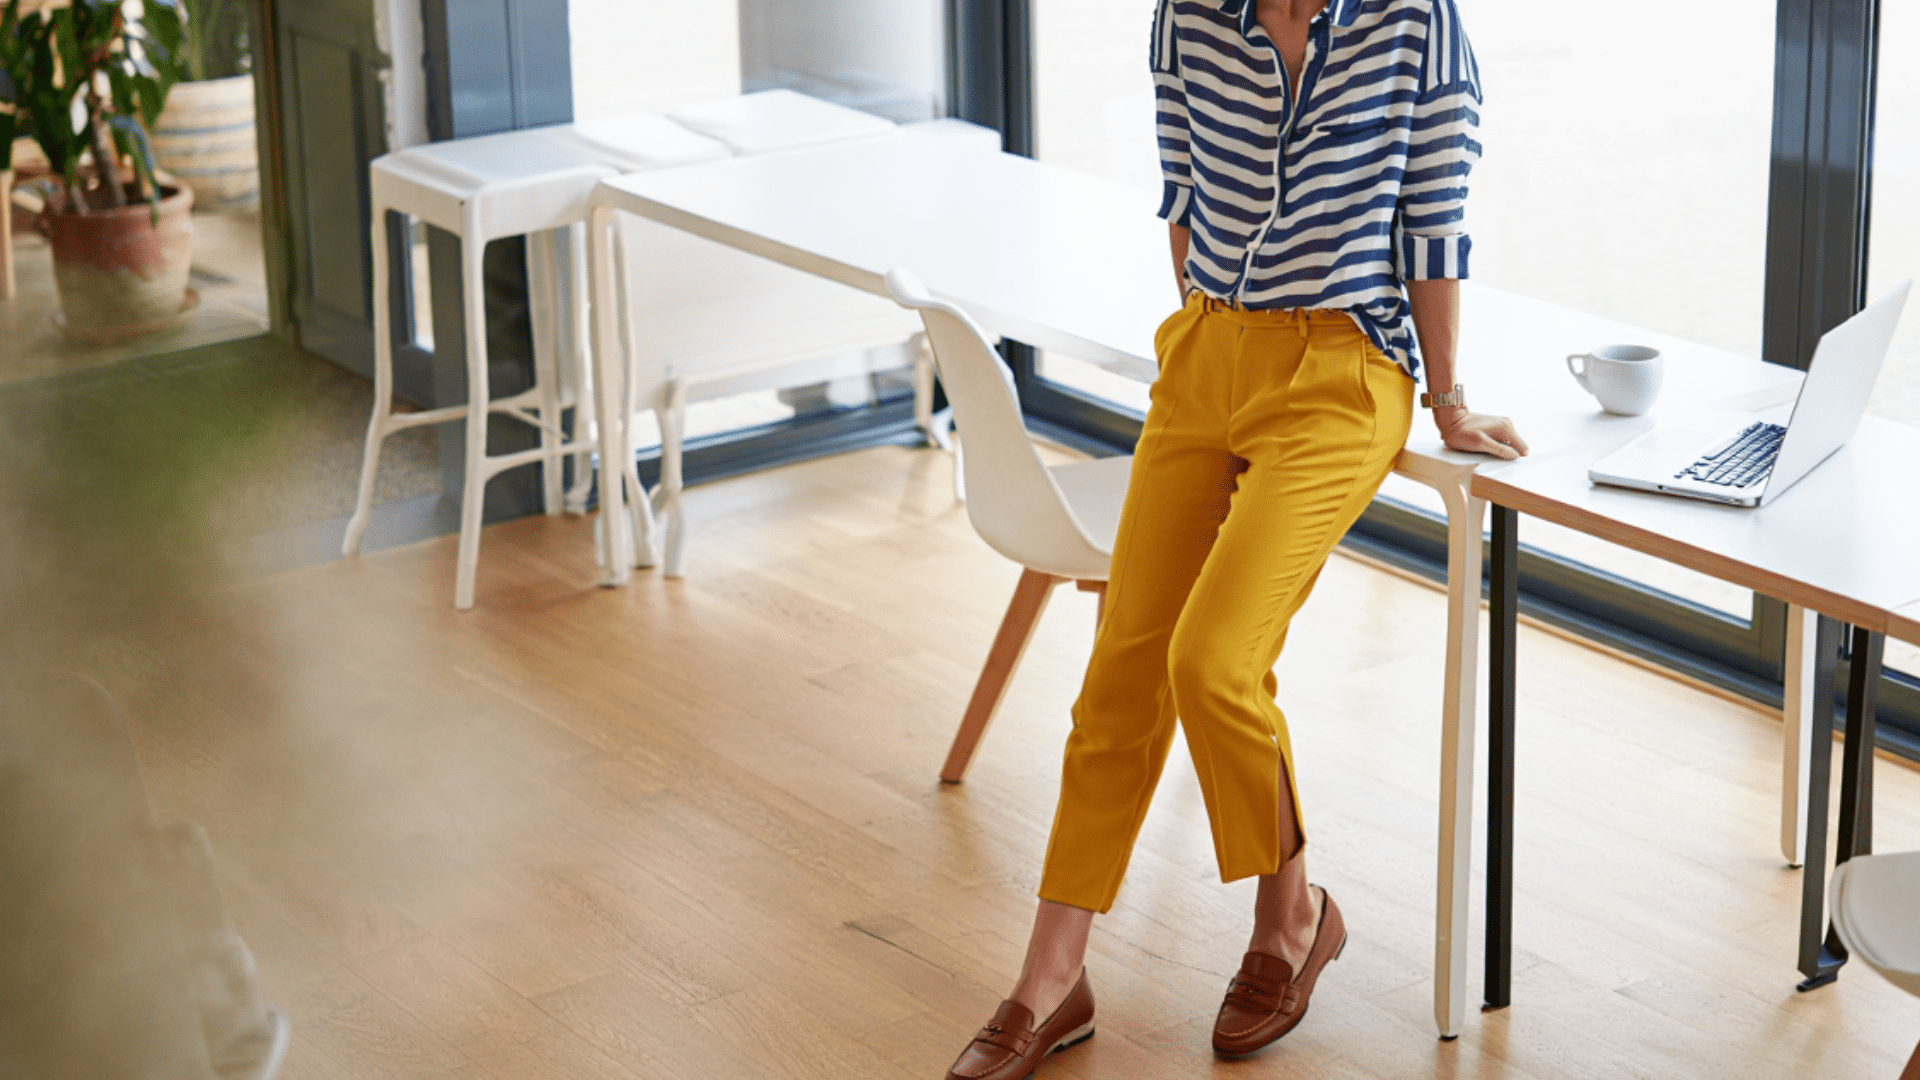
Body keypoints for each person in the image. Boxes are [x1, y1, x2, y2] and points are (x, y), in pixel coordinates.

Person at [943, 1, 1528, 1076]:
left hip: (1343, 373)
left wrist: (1447, 400)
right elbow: (1184, 197)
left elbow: (1434, 223)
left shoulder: (1418, 25)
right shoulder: (1187, 17)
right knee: (1123, 670)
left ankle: (1292, 913)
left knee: (1213, 661)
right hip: (1208, 350)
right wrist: (1209, 342)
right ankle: (1051, 976)